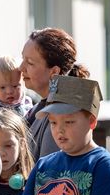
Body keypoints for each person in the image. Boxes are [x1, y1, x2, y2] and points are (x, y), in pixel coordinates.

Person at [19, 27, 90, 161]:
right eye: (23, 59)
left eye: (29, 63)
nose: (21, 68)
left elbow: (49, 176)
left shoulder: (62, 115)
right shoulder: (41, 107)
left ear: (54, 72)